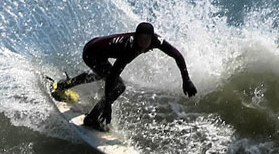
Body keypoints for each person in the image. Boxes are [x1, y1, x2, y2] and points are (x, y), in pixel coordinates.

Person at [51, 22, 196, 131]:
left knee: (101, 74)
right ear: (136, 36)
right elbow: (113, 77)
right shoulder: (129, 47)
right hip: (91, 53)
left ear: (152, 37)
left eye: (147, 39)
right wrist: (107, 105)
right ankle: (91, 119)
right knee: (119, 86)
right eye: (141, 38)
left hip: (96, 45)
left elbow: (177, 55)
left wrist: (186, 79)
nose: (144, 43)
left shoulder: (156, 41)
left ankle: (64, 85)